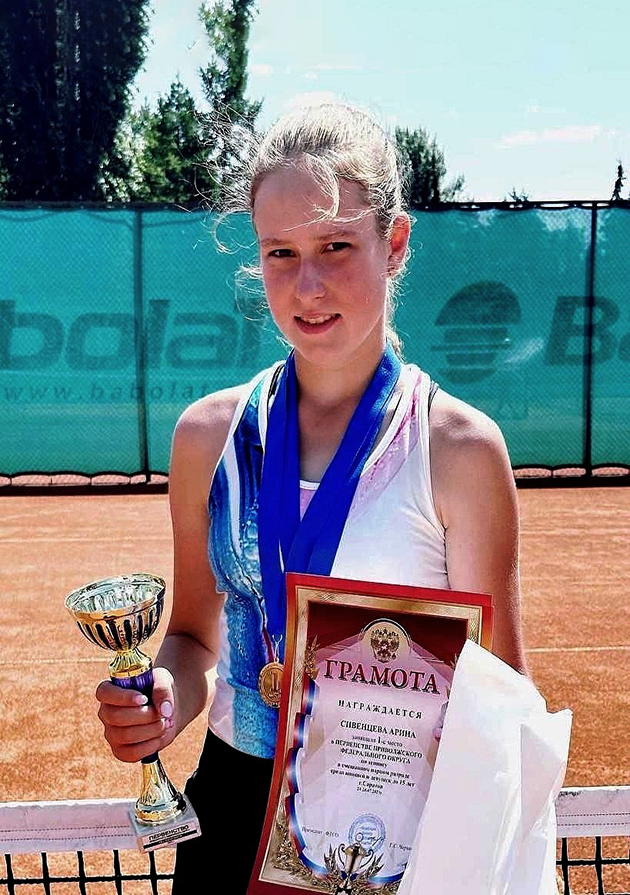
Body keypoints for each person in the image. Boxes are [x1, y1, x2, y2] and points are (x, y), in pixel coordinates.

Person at [95, 102, 527, 891]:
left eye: (336, 246)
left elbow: (501, 698)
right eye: (281, 253)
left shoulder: (458, 451)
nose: (308, 284)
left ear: (395, 244)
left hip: (387, 834)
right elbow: (192, 636)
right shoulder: (208, 439)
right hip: (230, 812)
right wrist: (164, 699)